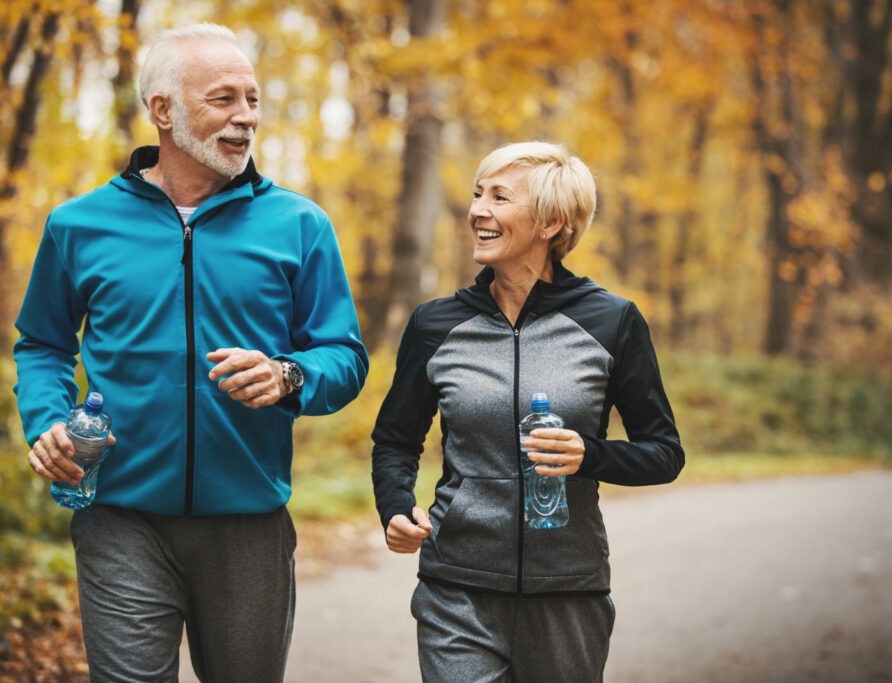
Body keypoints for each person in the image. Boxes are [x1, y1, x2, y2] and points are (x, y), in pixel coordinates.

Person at [13, 23, 368, 682]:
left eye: (253, 100)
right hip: (118, 515)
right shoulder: (79, 225)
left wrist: (289, 374)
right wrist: (46, 421)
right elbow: (42, 343)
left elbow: (344, 356)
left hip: (248, 524)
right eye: (224, 99)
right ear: (163, 111)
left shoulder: (299, 225)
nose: (246, 118)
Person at [371, 141, 684, 681]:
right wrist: (396, 507)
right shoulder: (435, 325)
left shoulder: (612, 321)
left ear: (551, 222)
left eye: (499, 197)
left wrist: (591, 455)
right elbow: (396, 441)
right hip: (457, 589)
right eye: (476, 194)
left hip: (568, 592)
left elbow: (664, 454)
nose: (477, 211)